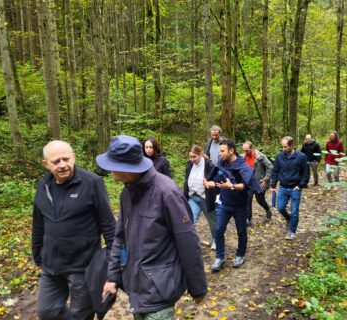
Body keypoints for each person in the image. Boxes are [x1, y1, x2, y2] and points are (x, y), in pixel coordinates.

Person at [97, 135, 207, 320]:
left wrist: (197, 287)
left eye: (112, 164)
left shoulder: (167, 192)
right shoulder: (127, 192)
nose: (109, 170)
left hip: (159, 291)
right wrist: (113, 277)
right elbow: (120, 237)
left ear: (125, 167)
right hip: (136, 287)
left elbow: (188, 242)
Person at [32, 140, 116, 320]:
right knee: (46, 312)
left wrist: (112, 263)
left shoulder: (91, 182)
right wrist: (37, 255)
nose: (62, 165)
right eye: (56, 161)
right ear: (46, 164)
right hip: (51, 266)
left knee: (81, 315)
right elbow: (38, 223)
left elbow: (108, 224)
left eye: (66, 159)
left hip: (82, 266)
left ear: (74, 158)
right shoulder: (43, 185)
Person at [204, 140, 262, 271]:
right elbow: (216, 181)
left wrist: (232, 186)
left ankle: (240, 255)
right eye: (219, 151)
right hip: (224, 203)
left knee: (241, 231)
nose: (220, 154)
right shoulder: (221, 163)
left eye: (222, 151)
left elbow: (244, 186)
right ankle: (219, 258)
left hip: (240, 205)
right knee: (218, 230)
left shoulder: (243, 165)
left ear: (231, 151)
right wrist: (210, 183)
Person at [271, 136, 308, 240]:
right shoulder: (279, 157)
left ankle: (292, 231)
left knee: (295, 210)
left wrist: (300, 185)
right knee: (280, 208)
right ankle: (289, 219)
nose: (283, 149)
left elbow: (306, 173)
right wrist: (273, 185)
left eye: (286, 147)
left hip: (295, 188)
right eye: (282, 147)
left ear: (292, 145)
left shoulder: (301, 157)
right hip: (283, 187)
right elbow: (275, 171)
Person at [183, 145, 217, 250]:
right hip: (193, 197)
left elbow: (215, 181)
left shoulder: (209, 165)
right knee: (190, 220)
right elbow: (186, 180)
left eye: (194, 157)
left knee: (212, 222)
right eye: (190, 157)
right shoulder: (189, 164)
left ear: (200, 154)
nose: (192, 159)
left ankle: (216, 240)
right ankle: (189, 242)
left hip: (206, 198)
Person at [242, 141, 273, 224]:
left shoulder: (260, 157)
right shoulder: (243, 157)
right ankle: (248, 219)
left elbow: (270, 166)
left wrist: (266, 179)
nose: (245, 152)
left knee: (260, 200)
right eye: (243, 150)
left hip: (259, 183)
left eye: (246, 150)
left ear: (251, 148)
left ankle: (268, 210)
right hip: (248, 182)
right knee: (248, 199)